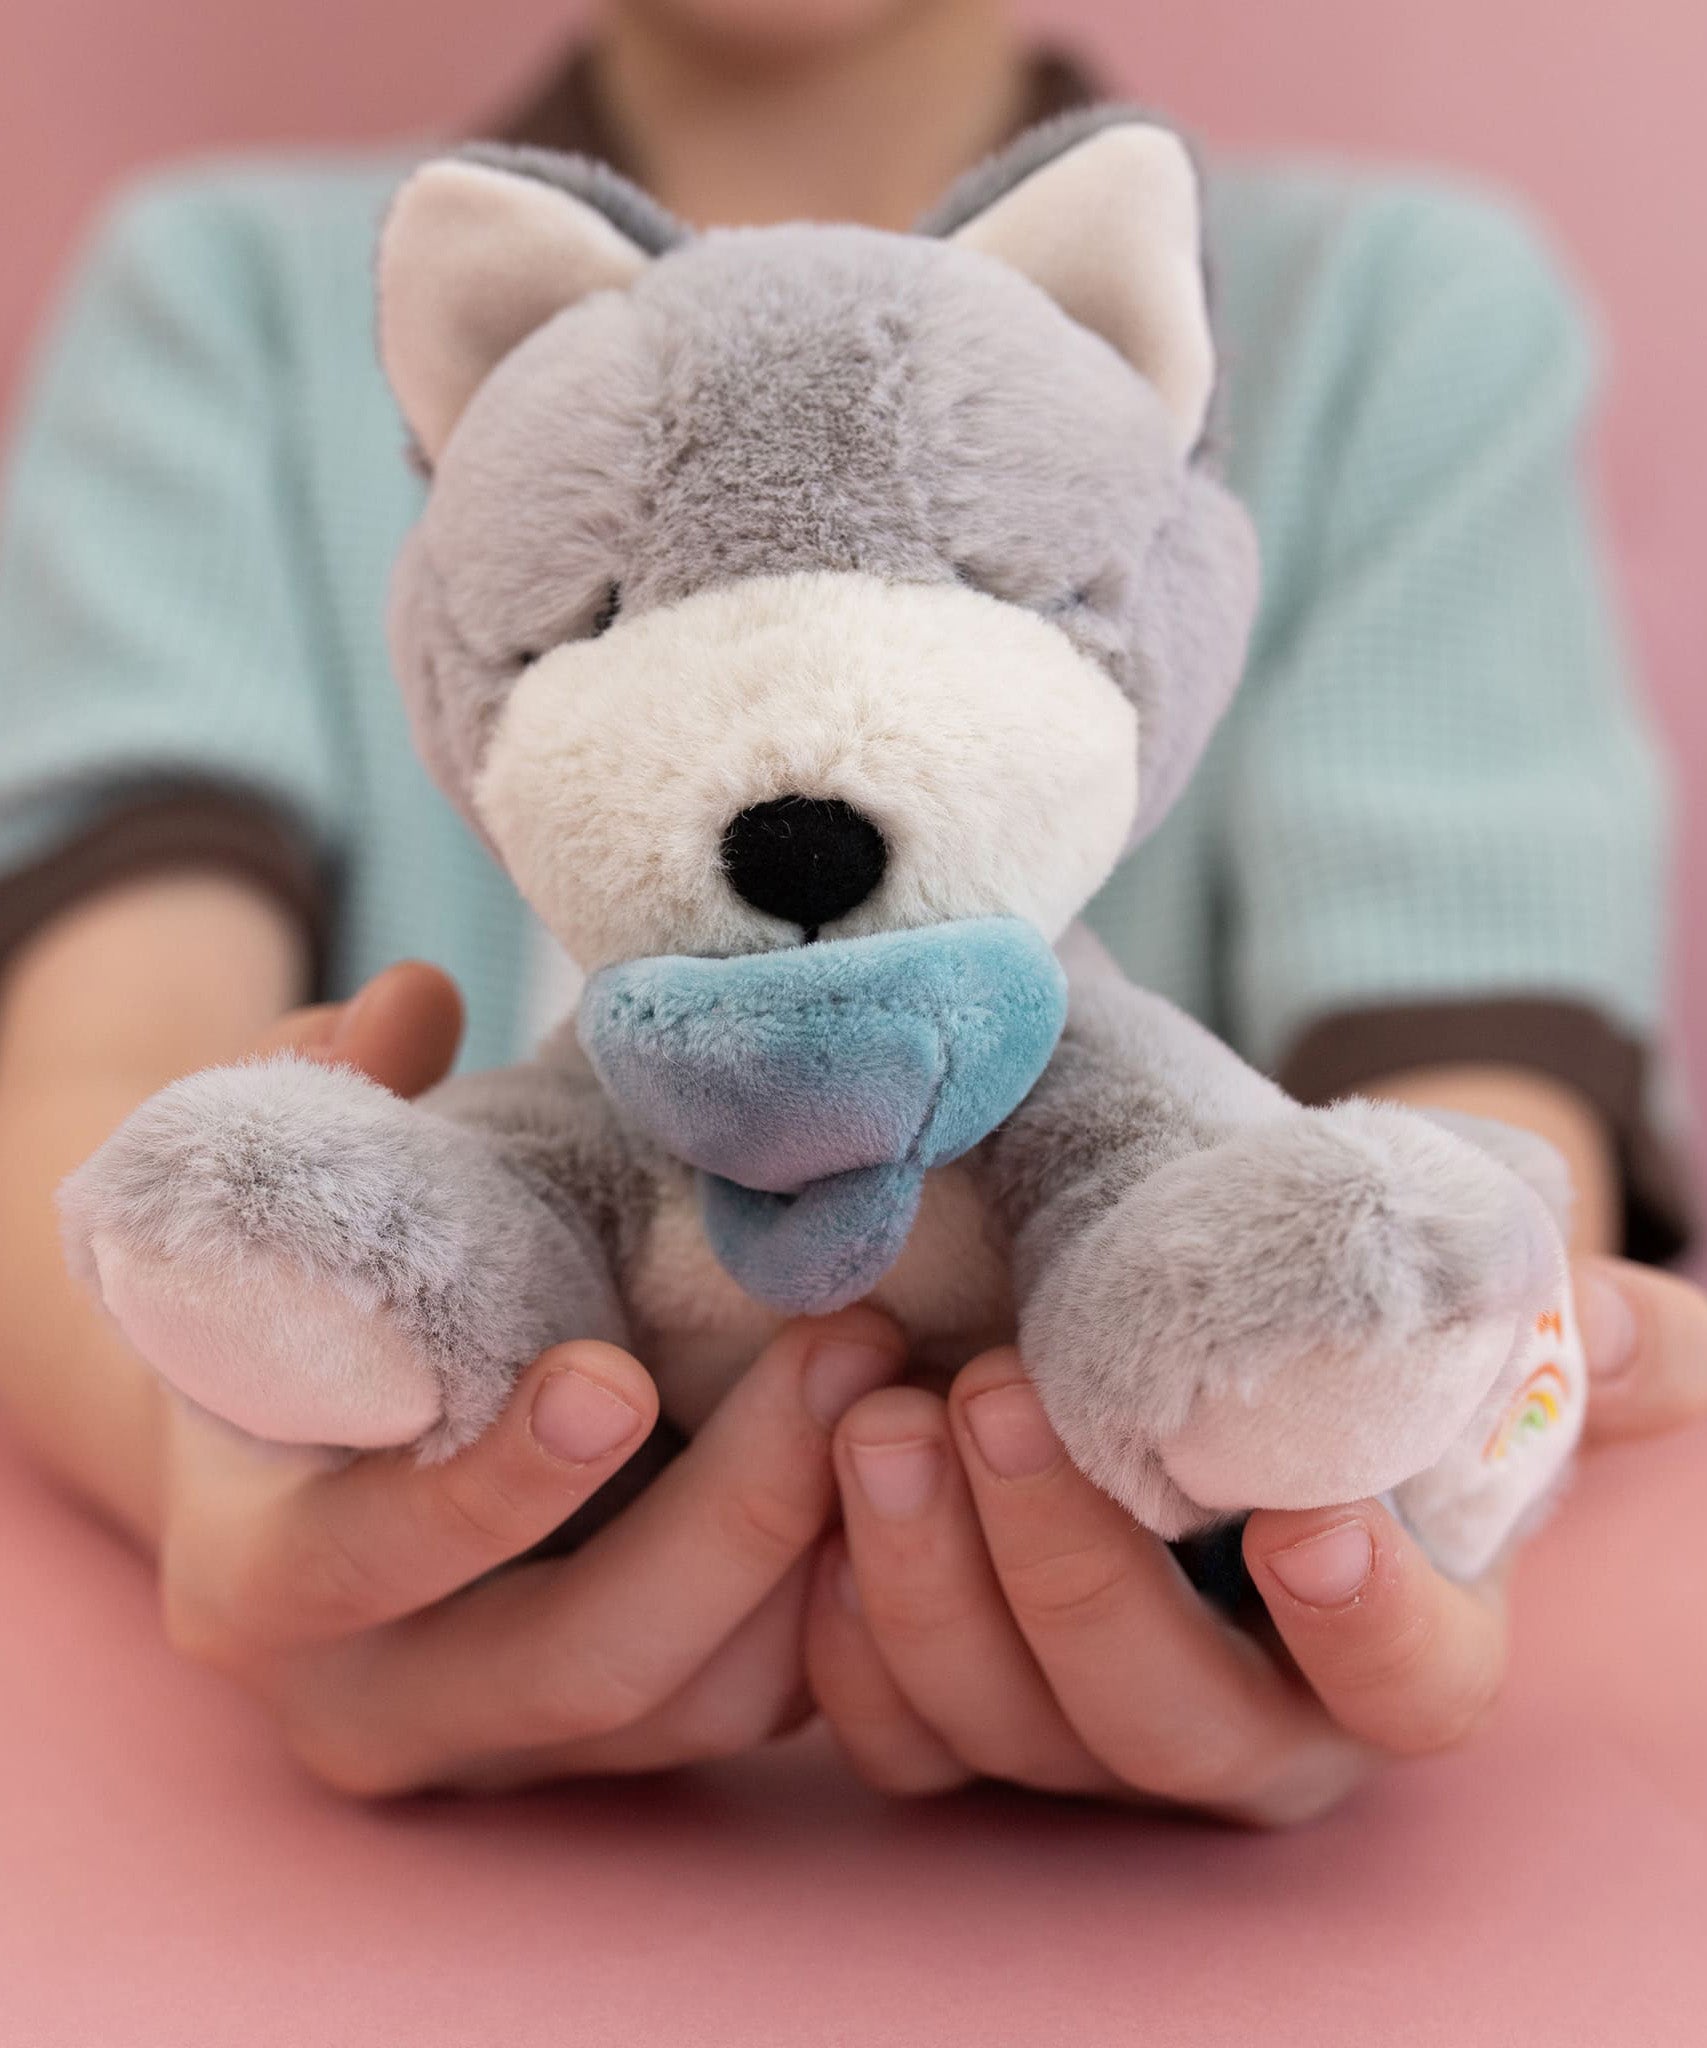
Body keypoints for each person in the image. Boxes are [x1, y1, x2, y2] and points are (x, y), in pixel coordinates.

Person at [0, 0, 1701, 1819]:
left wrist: (1413, 1447)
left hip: (1131, 1546)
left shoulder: (1398, 313)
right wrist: (234, 1476)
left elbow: (1461, 1079)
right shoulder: (223, 304)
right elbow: (102, 1070)